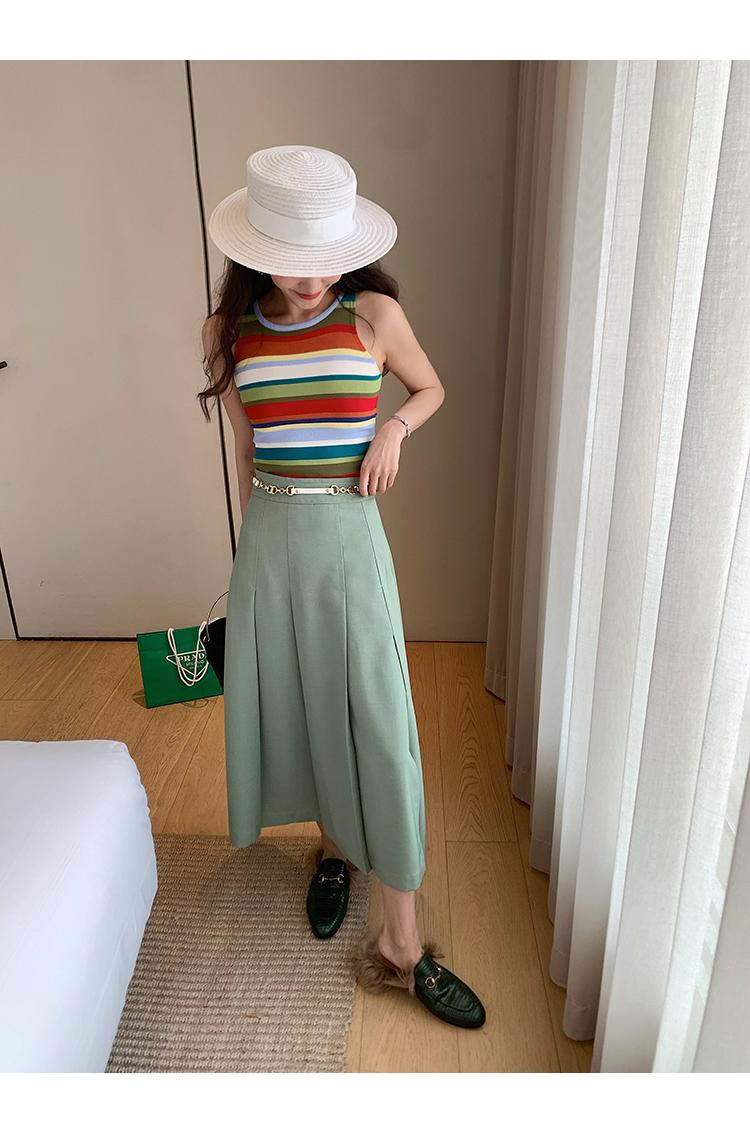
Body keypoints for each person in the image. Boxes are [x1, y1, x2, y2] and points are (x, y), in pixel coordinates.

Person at [201, 144, 485, 1029]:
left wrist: (394, 428)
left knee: (380, 723)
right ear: (255, 250)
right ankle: (334, 851)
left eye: (325, 256)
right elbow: (249, 447)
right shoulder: (231, 331)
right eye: (292, 257)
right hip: (270, 541)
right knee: (299, 702)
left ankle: (402, 943)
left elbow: (431, 387)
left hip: (349, 537)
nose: (311, 275)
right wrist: (248, 558)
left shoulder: (373, 315)